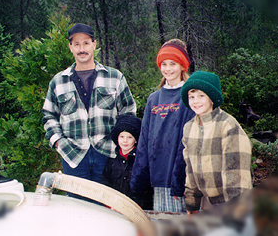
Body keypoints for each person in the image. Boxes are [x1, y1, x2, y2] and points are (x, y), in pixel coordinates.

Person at [42, 23, 136, 192]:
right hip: (73, 157)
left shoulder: (114, 77)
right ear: (70, 47)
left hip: (108, 155)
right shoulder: (58, 81)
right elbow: (49, 116)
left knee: (109, 208)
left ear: (94, 44)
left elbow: (128, 112)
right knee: (78, 210)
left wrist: (122, 144)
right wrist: (58, 143)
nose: (82, 49)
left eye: (86, 43)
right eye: (76, 44)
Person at [130, 39, 195, 212]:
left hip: (180, 176)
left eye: (173, 63)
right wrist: (140, 176)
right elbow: (144, 138)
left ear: (182, 66)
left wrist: (180, 177)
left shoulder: (190, 97)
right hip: (158, 175)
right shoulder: (154, 99)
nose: (167, 68)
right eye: (164, 64)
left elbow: (191, 139)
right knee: (163, 222)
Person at [178, 70, 253, 214]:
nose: (196, 101)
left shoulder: (228, 126)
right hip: (207, 203)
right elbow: (190, 171)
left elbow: (237, 175)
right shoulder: (189, 128)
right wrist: (192, 204)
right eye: (191, 96)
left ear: (212, 98)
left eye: (201, 96)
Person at [102, 114, 153, 210]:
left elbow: (147, 189)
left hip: (137, 209)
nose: (125, 141)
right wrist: (110, 204)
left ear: (136, 140)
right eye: (122, 136)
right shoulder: (111, 160)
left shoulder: (142, 161)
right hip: (115, 207)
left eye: (129, 137)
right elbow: (106, 184)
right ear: (117, 138)